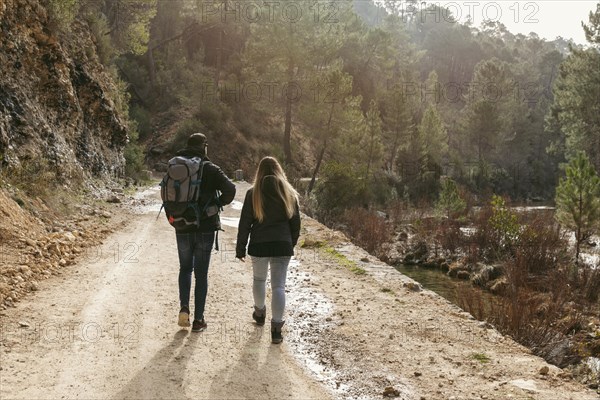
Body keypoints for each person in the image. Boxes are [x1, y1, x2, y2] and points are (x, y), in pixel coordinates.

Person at [174, 133, 236, 332]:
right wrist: (216, 204)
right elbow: (231, 190)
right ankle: (198, 320)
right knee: (201, 274)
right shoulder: (210, 168)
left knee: (185, 268)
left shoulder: (177, 165)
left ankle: (184, 307)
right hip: (205, 228)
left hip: (182, 225)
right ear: (204, 147)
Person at [236, 156, 300, 344]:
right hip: (282, 244)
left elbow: (245, 223)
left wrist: (241, 248)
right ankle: (277, 329)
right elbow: (296, 223)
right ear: (279, 170)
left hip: (259, 244)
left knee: (259, 279)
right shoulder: (289, 192)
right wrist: (290, 243)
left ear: (260, 171)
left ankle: (259, 312)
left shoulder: (253, 193)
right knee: (279, 286)